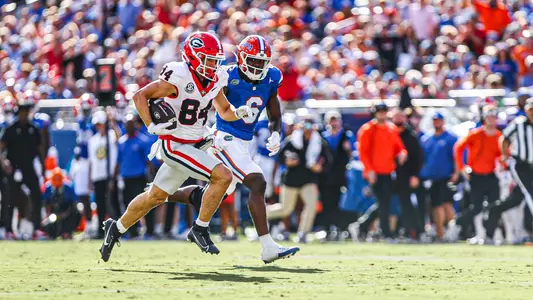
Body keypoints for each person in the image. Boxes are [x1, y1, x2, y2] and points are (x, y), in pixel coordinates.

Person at [99, 32, 252, 262]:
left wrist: (239, 113)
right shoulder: (178, 75)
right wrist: (151, 126)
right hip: (175, 144)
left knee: (155, 196)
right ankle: (200, 229)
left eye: (215, 61)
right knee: (223, 176)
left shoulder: (215, 78)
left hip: (198, 143)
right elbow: (141, 96)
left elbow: (224, 110)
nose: (213, 65)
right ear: (192, 57)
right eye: (208, 60)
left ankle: (116, 228)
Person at [165, 35, 299, 262]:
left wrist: (276, 132)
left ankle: (159, 194)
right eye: (253, 61)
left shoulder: (272, 77)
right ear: (241, 58)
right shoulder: (226, 75)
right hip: (224, 137)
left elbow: (274, 113)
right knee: (258, 182)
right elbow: (211, 103)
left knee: (209, 196)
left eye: (261, 62)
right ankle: (267, 247)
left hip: (245, 142)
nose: (257, 66)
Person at [267, 117, 331, 243]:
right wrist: (287, 161)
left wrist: (320, 167)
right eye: (305, 126)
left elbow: (328, 161)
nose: (308, 130)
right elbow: (280, 157)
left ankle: (303, 233)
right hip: (291, 180)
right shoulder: (292, 140)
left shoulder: (319, 142)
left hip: (309, 180)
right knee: (286, 209)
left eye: (311, 126)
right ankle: (260, 213)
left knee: (312, 205)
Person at [447, 105, 502, 243]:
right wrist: (462, 167)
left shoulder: (499, 136)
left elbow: (502, 155)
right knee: (476, 207)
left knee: (494, 206)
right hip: (476, 176)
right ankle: (457, 222)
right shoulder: (475, 134)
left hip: (491, 175)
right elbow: (458, 148)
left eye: (493, 116)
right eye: (488, 116)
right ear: (484, 118)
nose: (491, 119)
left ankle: (488, 235)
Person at [483, 98, 533, 243]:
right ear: (526, 110)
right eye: (531, 110)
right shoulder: (519, 124)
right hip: (522, 165)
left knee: (516, 199)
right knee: (530, 194)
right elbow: (504, 138)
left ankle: (492, 212)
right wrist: (505, 154)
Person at [357, 103, 407, 240]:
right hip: (375, 172)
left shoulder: (391, 129)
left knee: (384, 202)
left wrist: (402, 153)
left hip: (388, 171)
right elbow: (363, 152)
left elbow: (399, 147)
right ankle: (386, 233)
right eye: (379, 111)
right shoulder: (367, 129)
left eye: (384, 111)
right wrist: (369, 170)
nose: (382, 114)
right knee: (384, 202)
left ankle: (363, 225)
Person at [0, 95, 44, 239]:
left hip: (29, 167)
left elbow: (39, 150)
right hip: (14, 168)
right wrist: (4, 162)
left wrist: (41, 167)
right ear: (18, 113)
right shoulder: (11, 129)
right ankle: (8, 229)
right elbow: (1, 148)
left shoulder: (33, 129)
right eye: (22, 112)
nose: (24, 115)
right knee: (10, 198)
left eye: (26, 112)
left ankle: (36, 228)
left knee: (36, 194)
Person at [420, 112, 458, 241]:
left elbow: (456, 158)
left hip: (446, 176)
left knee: (447, 204)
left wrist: (456, 173)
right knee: (435, 205)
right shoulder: (426, 139)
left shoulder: (450, 138)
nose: (437, 123)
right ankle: (440, 232)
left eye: (439, 120)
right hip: (431, 177)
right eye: (435, 120)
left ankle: (453, 231)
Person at [318, 110, 355, 238]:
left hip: (342, 175)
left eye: (336, 120)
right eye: (331, 120)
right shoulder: (323, 137)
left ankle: (342, 228)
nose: (333, 123)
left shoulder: (347, 135)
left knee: (342, 203)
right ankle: (328, 229)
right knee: (327, 202)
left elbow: (353, 155)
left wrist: (348, 149)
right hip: (326, 176)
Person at [114, 113, 152, 237]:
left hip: (139, 177)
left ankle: (148, 229)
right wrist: (114, 178)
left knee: (143, 204)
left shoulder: (142, 141)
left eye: (131, 124)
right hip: (126, 178)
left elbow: (148, 161)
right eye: (127, 124)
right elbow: (118, 162)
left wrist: (151, 177)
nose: (129, 126)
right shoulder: (121, 142)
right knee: (127, 204)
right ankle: (132, 231)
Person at [391, 108, 424, 240]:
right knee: (384, 202)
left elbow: (418, 157)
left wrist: (415, 175)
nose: (398, 119)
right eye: (396, 117)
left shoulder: (411, 136)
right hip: (390, 174)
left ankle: (413, 231)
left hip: (406, 176)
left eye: (401, 117)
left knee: (407, 203)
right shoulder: (389, 133)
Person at [88, 110, 119, 238]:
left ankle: (117, 229)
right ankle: (101, 231)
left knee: (113, 203)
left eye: (101, 124)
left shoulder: (111, 135)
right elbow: (91, 160)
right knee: (100, 205)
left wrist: (112, 121)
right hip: (97, 176)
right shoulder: (92, 140)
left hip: (109, 176)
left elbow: (119, 136)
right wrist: (89, 179)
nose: (98, 127)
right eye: (97, 124)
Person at [41, 168, 80, 239]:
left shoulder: (69, 187)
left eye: (58, 179)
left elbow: (74, 204)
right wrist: (48, 215)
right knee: (46, 223)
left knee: (77, 212)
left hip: (67, 213)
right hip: (53, 213)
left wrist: (64, 214)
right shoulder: (48, 188)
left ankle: (68, 232)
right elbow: (46, 204)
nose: (56, 181)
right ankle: (52, 234)